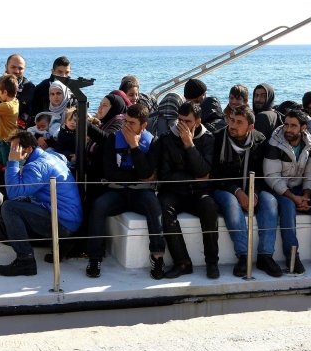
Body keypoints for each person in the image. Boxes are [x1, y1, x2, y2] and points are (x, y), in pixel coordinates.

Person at [85, 103, 166, 279]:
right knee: (98, 206)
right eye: (126, 122)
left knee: (154, 207)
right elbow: (111, 173)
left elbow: (147, 172)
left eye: (132, 123)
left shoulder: (153, 142)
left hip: (142, 193)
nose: (126, 127)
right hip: (117, 192)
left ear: (143, 125)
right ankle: (94, 258)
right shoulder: (113, 139)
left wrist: (134, 147)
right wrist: (138, 176)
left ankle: (157, 256)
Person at [0, 130, 82, 276]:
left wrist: (13, 162)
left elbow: (13, 194)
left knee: (9, 208)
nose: (12, 152)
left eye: (15, 149)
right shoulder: (50, 155)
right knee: (1, 226)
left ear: (29, 149)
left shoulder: (36, 166)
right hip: (70, 220)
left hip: (62, 224)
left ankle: (25, 261)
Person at [211, 105, 281, 277]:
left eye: (238, 122)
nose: (232, 125)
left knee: (270, 202)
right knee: (231, 203)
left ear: (250, 127)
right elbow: (214, 175)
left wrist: (254, 193)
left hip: (253, 187)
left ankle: (265, 255)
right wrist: (237, 192)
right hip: (223, 189)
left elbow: (264, 174)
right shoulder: (218, 138)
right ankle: (243, 256)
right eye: (231, 120)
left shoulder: (260, 140)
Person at [155, 102, 220, 279]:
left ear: (198, 122)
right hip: (175, 192)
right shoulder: (167, 139)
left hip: (199, 192)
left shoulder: (208, 139)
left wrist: (189, 145)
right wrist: (192, 177)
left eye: (187, 121)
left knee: (209, 206)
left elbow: (204, 170)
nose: (182, 125)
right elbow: (165, 176)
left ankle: (212, 262)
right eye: (180, 120)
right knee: (164, 206)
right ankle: (182, 262)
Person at [263, 109, 311, 273]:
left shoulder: (310, 145)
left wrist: (306, 196)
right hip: (278, 190)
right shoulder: (274, 143)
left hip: (300, 189)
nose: (288, 129)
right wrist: (294, 197)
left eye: (293, 126)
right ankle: (292, 256)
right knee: (287, 206)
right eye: (286, 124)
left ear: (303, 127)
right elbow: (271, 177)